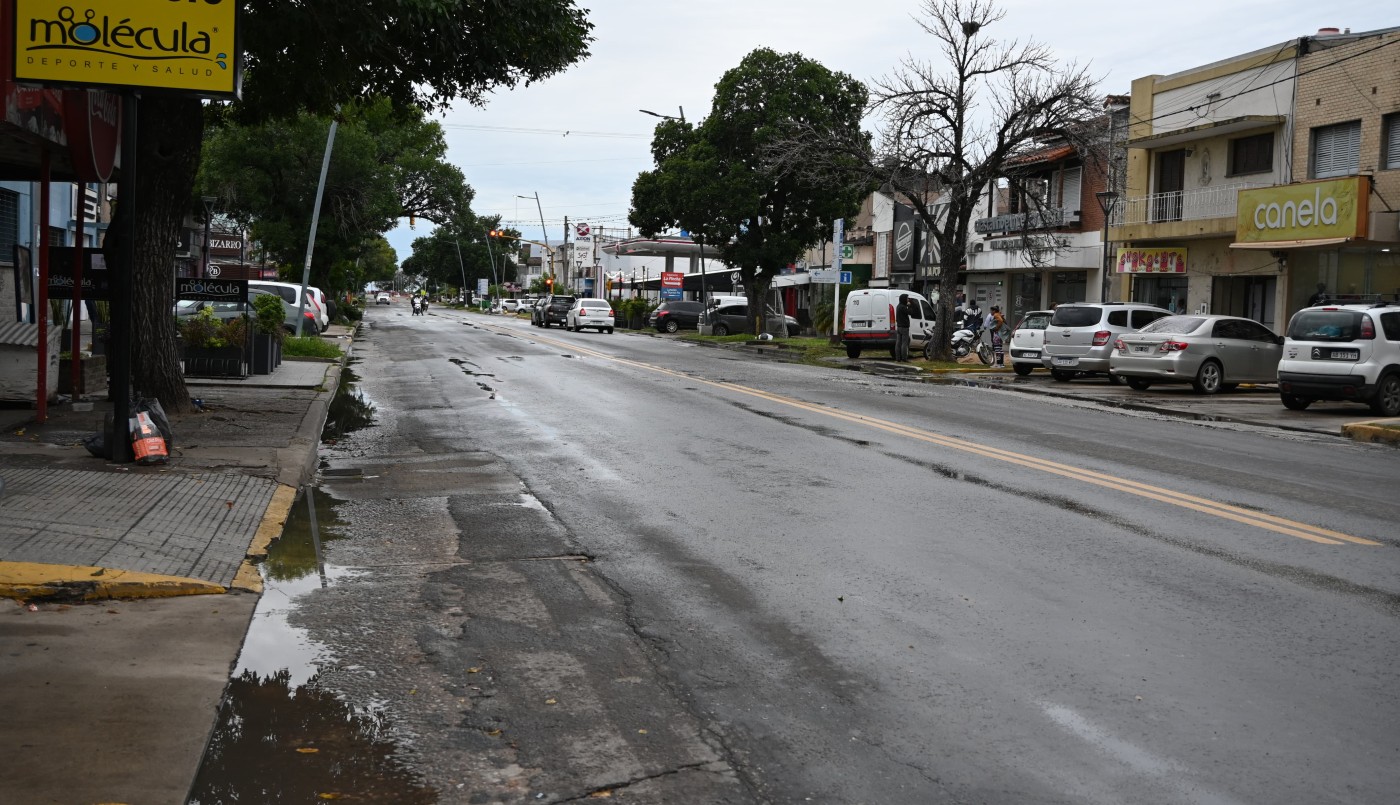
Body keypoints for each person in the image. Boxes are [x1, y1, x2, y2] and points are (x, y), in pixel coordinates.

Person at [894, 294, 912, 361]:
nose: (908, 300)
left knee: (898, 343)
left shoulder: (898, 306)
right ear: (904, 299)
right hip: (904, 327)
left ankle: (898, 358)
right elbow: (909, 312)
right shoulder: (903, 307)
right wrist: (909, 306)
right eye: (907, 298)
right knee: (904, 343)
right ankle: (904, 358)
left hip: (899, 326)